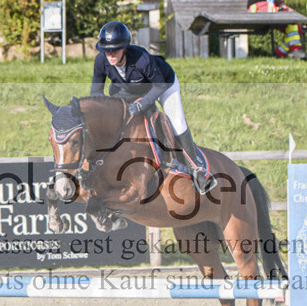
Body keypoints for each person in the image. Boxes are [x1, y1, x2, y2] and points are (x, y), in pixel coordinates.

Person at [90, 21, 215, 194]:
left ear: (124, 48)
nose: (110, 54)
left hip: (163, 84)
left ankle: (197, 170)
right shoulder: (101, 61)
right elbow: (96, 92)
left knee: (176, 122)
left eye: (115, 49)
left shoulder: (142, 59)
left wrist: (141, 104)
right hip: (129, 89)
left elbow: (159, 86)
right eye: (106, 50)